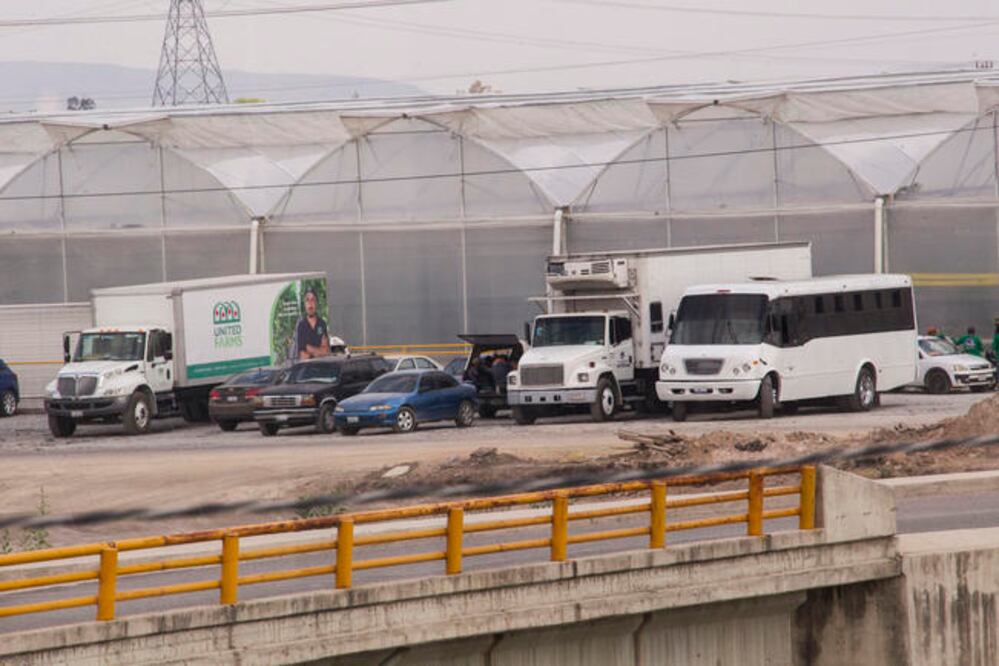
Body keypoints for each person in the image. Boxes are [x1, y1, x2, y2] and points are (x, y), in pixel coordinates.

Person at [295, 288, 330, 360]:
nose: (310, 303)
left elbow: (326, 351)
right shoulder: (301, 326)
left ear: (316, 302)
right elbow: (303, 356)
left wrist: (310, 350)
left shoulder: (322, 324)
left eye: (312, 299)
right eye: (307, 300)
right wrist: (319, 352)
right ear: (304, 304)